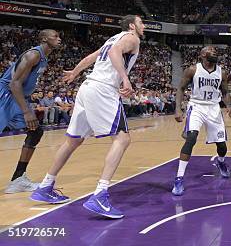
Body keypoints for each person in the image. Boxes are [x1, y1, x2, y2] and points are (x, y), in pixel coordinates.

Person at [30, 15, 144, 219]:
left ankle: (45, 186)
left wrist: (75, 71)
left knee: (73, 140)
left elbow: (93, 56)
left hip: (87, 87)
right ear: (131, 25)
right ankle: (100, 194)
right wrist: (125, 79)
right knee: (122, 138)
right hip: (103, 89)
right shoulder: (131, 38)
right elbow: (115, 52)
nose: (143, 25)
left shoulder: (113, 38)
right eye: (141, 22)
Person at [1, 29, 61, 194]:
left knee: (35, 132)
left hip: (16, 98)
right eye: (55, 36)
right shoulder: (34, 54)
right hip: (5, 96)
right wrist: (27, 112)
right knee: (35, 129)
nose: (59, 39)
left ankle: (18, 179)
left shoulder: (43, 57)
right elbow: (14, 84)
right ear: (43, 38)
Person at [172, 46, 231, 196]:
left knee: (222, 146)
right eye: (211, 51)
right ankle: (179, 178)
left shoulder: (222, 72)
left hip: (214, 109)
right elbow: (180, 89)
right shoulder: (193, 70)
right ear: (202, 55)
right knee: (191, 138)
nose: (214, 52)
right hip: (197, 106)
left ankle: (220, 161)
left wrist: (229, 105)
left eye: (215, 51)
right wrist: (178, 109)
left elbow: (225, 91)